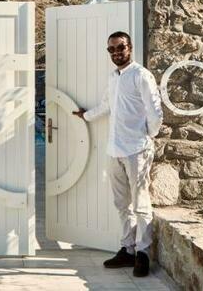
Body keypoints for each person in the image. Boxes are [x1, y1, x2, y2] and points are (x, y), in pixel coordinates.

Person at [72, 31, 163, 278]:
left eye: (120, 47)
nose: (116, 53)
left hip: (137, 150)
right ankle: (127, 249)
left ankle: (143, 253)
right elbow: (107, 105)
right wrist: (86, 115)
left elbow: (155, 111)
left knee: (141, 203)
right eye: (111, 49)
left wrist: (148, 135)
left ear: (129, 47)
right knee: (122, 204)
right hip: (114, 149)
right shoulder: (113, 77)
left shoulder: (141, 75)